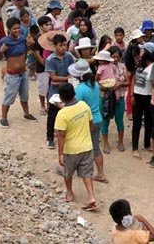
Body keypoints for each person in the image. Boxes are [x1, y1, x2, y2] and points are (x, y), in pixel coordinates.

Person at [54, 83, 99, 211]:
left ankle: (69, 193)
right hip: (87, 146)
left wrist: (60, 154)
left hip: (71, 150)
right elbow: (91, 124)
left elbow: (61, 136)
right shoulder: (84, 106)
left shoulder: (62, 114)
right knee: (87, 173)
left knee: (68, 173)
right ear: (74, 94)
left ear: (61, 98)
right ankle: (91, 196)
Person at [69, 60, 108, 183]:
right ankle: (100, 173)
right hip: (97, 118)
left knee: (79, 145)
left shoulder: (80, 89)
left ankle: (76, 169)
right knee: (95, 147)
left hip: (86, 121)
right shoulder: (94, 84)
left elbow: (74, 106)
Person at [0, 17, 38, 128]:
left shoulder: (22, 40)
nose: (17, 30)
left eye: (18, 28)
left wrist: (30, 44)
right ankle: (4, 118)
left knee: (24, 96)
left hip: (23, 73)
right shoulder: (4, 41)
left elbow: (26, 51)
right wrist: (1, 51)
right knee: (9, 97)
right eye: (14, 28)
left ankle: (26, 113)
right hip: (12, 75)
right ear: (9, 29)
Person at [44, 32, 75, 149]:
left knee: (67, 114)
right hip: (55, 92)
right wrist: (66, 79)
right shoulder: (50, 59)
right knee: (52, 115)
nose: (63, 48)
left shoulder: (69, 56)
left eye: (64, 45)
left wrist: (60, 81)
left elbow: (71, 72)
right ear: (54, 46)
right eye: (60, 45)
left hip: (65, 90)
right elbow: (53, 77)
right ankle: (50, 138)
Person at [131, 42, 154, 158]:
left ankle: (147, 144)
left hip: (148, 96)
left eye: (143, 51)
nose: (140, 53)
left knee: (149, 122)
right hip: (137, 96)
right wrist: (131, 95)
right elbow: (133, 80)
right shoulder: (139, 65)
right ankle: (135, 148)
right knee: (136, 122)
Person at [101, 46, 129, 153]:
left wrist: (119, 84)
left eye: (117, 57)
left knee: (119, 120)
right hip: (106, 97)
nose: (116, 59)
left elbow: (127, 82)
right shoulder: (104, 67)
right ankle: (105, 143)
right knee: (105, 120)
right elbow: (98, 83)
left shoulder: (123, 66)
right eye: (113, 57)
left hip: (119, 97)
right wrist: (107, 86)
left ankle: (120, 141)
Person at [31, 16, 51, 115]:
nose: (49, 26)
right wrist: (44, 63)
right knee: (42, 87)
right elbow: (36, 53)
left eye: (50, 24)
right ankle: (42, 105)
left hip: (51, 66)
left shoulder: (52, 37)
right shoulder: (38, 38)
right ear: (41, 27)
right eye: (47, 25)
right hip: (42, 67)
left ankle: (49, 105)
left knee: (51, 87)